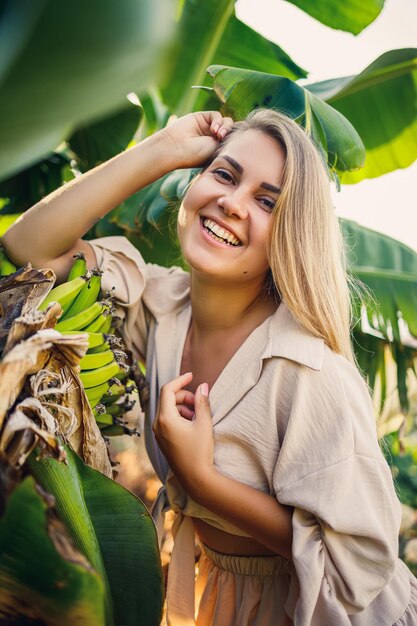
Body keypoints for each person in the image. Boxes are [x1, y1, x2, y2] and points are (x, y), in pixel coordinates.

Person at [3, 110, 417, 626]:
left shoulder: (304, 368)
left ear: (291, 235)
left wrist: (203, 479)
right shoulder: (159, 306)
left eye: (267, 201)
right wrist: (163, 147)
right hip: (222, 598)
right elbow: (29, 249)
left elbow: (357, 564)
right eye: (224, 174)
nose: (232, 202)